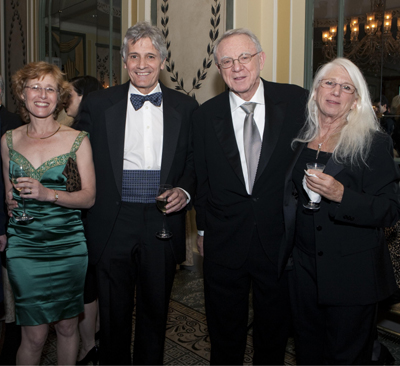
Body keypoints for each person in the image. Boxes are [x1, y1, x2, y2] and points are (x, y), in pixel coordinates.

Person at [76, 22, 198, 365]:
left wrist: (185, 191)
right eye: (134, 56)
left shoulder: (186, 108)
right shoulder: (98, 104)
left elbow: (194, 161)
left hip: (162, 220)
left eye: (149, 55)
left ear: (162, 60)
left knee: (155, 310)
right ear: (124, 61)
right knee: (113, 314)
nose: (141, 63)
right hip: (112, 218)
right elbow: (75, 158)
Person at [192, 28, 308, 365]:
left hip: (280, 239)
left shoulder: (296, 101)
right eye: (227, 61)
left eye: (244, 57)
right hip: (224, 239)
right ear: (219, 69)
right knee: (224, 332)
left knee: (273, 331)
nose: (237, 67)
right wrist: (201, 230)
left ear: (261, 59)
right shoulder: (204, 116)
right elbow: (202, 178)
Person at [281, 57, 400, 364]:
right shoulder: (299, 137)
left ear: (355, 99)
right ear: (316, 90)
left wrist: (341, 195)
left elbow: (389, 209)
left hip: (352, 274)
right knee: (308, 351)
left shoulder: (372, 143)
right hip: (303, 270)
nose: (335, 91)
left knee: (347, 356)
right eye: (329, 83)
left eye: (346, 87)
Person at [1, 61, 96, 365]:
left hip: (67, 245)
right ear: (22, 93)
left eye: (50, 88)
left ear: (59, 97)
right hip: (24, 247)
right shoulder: (8, 141)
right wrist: (10, 202)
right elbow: (8, 195)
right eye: (35, 87)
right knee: (34, 336)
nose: (42, 94)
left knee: (68, 326)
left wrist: (48, 194)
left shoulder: (76, 140)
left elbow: (89, 198)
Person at [65, 75, 103, 365]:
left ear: (83, 97)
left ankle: (89, 345)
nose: (66, 100)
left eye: (70, 94)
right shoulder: (89, 129)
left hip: (84, 219)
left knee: (86, 286)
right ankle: (94, 340)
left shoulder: (81, 134)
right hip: (94, 218)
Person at [0, 74, 23, 365]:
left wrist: (3, 227)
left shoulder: (9, 126)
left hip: (7, 226)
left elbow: (7, 186)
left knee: (12, 304)